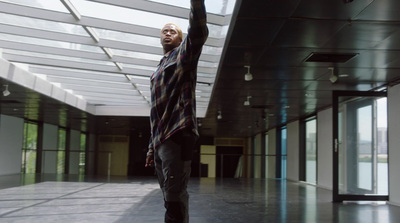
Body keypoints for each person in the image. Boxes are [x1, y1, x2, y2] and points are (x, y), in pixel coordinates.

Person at [145, 0, 208, 222]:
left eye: (173, 31)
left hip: (178, 134)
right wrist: (151, 148)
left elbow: (199, 32)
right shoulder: (157, 69)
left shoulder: (183, 56)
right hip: (161, 140)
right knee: (169, 197)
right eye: (164, 31)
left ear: (181, 39)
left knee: (174, 197)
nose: (168, 33)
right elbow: (155, 114)